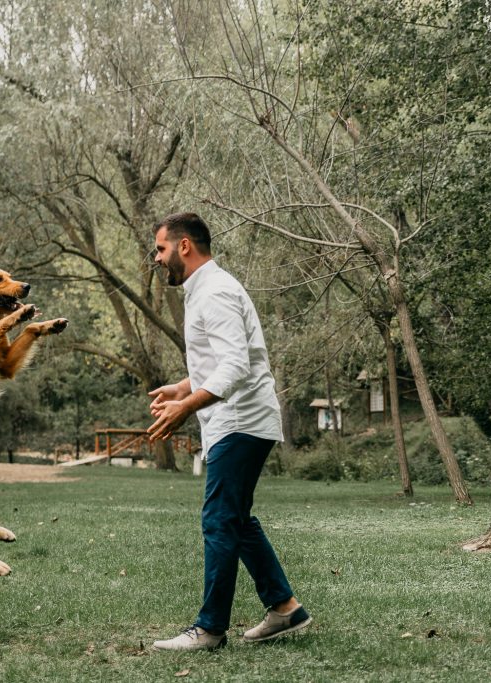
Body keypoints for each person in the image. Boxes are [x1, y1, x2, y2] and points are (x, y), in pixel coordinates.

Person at [146, 212, 313, 651]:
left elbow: (237, 366)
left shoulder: (215, 291)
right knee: (236, 519)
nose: (157, 258)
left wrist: (186, 406)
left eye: (161, 249)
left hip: (240, 421)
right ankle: (285, 608)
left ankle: (210, 629)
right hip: (237, 420)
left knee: (220, 519)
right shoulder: (206, 289)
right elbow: (226, 359)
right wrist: (184, 386)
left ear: (184, 246)